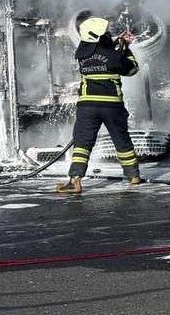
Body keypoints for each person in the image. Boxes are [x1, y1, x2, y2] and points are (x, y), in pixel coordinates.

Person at [54, 15, 145, 194]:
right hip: (112, 105)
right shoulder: (113, 56)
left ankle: (75, 180)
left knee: (82, 143)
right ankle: (133, 176)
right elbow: (132, 69)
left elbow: (97, 45)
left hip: (87, 106)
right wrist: (126, 48)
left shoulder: (81, 54)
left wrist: (117, 40)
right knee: (121, 140)